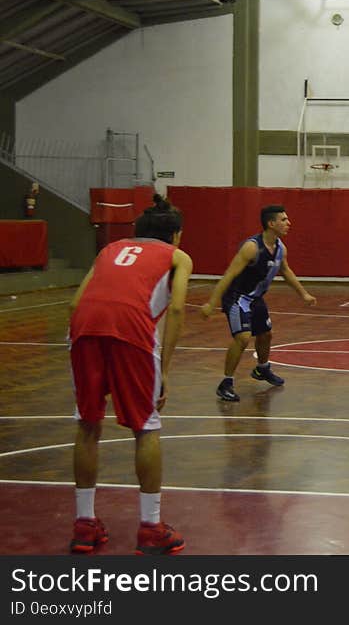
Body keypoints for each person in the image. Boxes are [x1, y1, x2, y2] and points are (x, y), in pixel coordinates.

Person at [68, 195, 193, 555]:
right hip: (131, 330)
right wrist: (164, 370)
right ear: (176, 235)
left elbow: (76, 302)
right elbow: (180, 309)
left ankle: (84, 524)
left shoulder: (110, 249)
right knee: (146, 427)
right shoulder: (177, 256)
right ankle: (151, 528)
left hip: (84, 327)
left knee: (88, 423)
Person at [201, 205, 316, 401]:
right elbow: (229, 274)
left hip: (256, 299)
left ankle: (262, 369)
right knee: (243, 338)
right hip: (238, 297)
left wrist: (303, 294)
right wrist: (211, 303)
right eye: (284, 220)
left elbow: (286, 271)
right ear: (271, 224)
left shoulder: (280, 248)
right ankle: (226, 383)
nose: (289, 223)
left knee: (266, 334)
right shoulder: (252, 247)